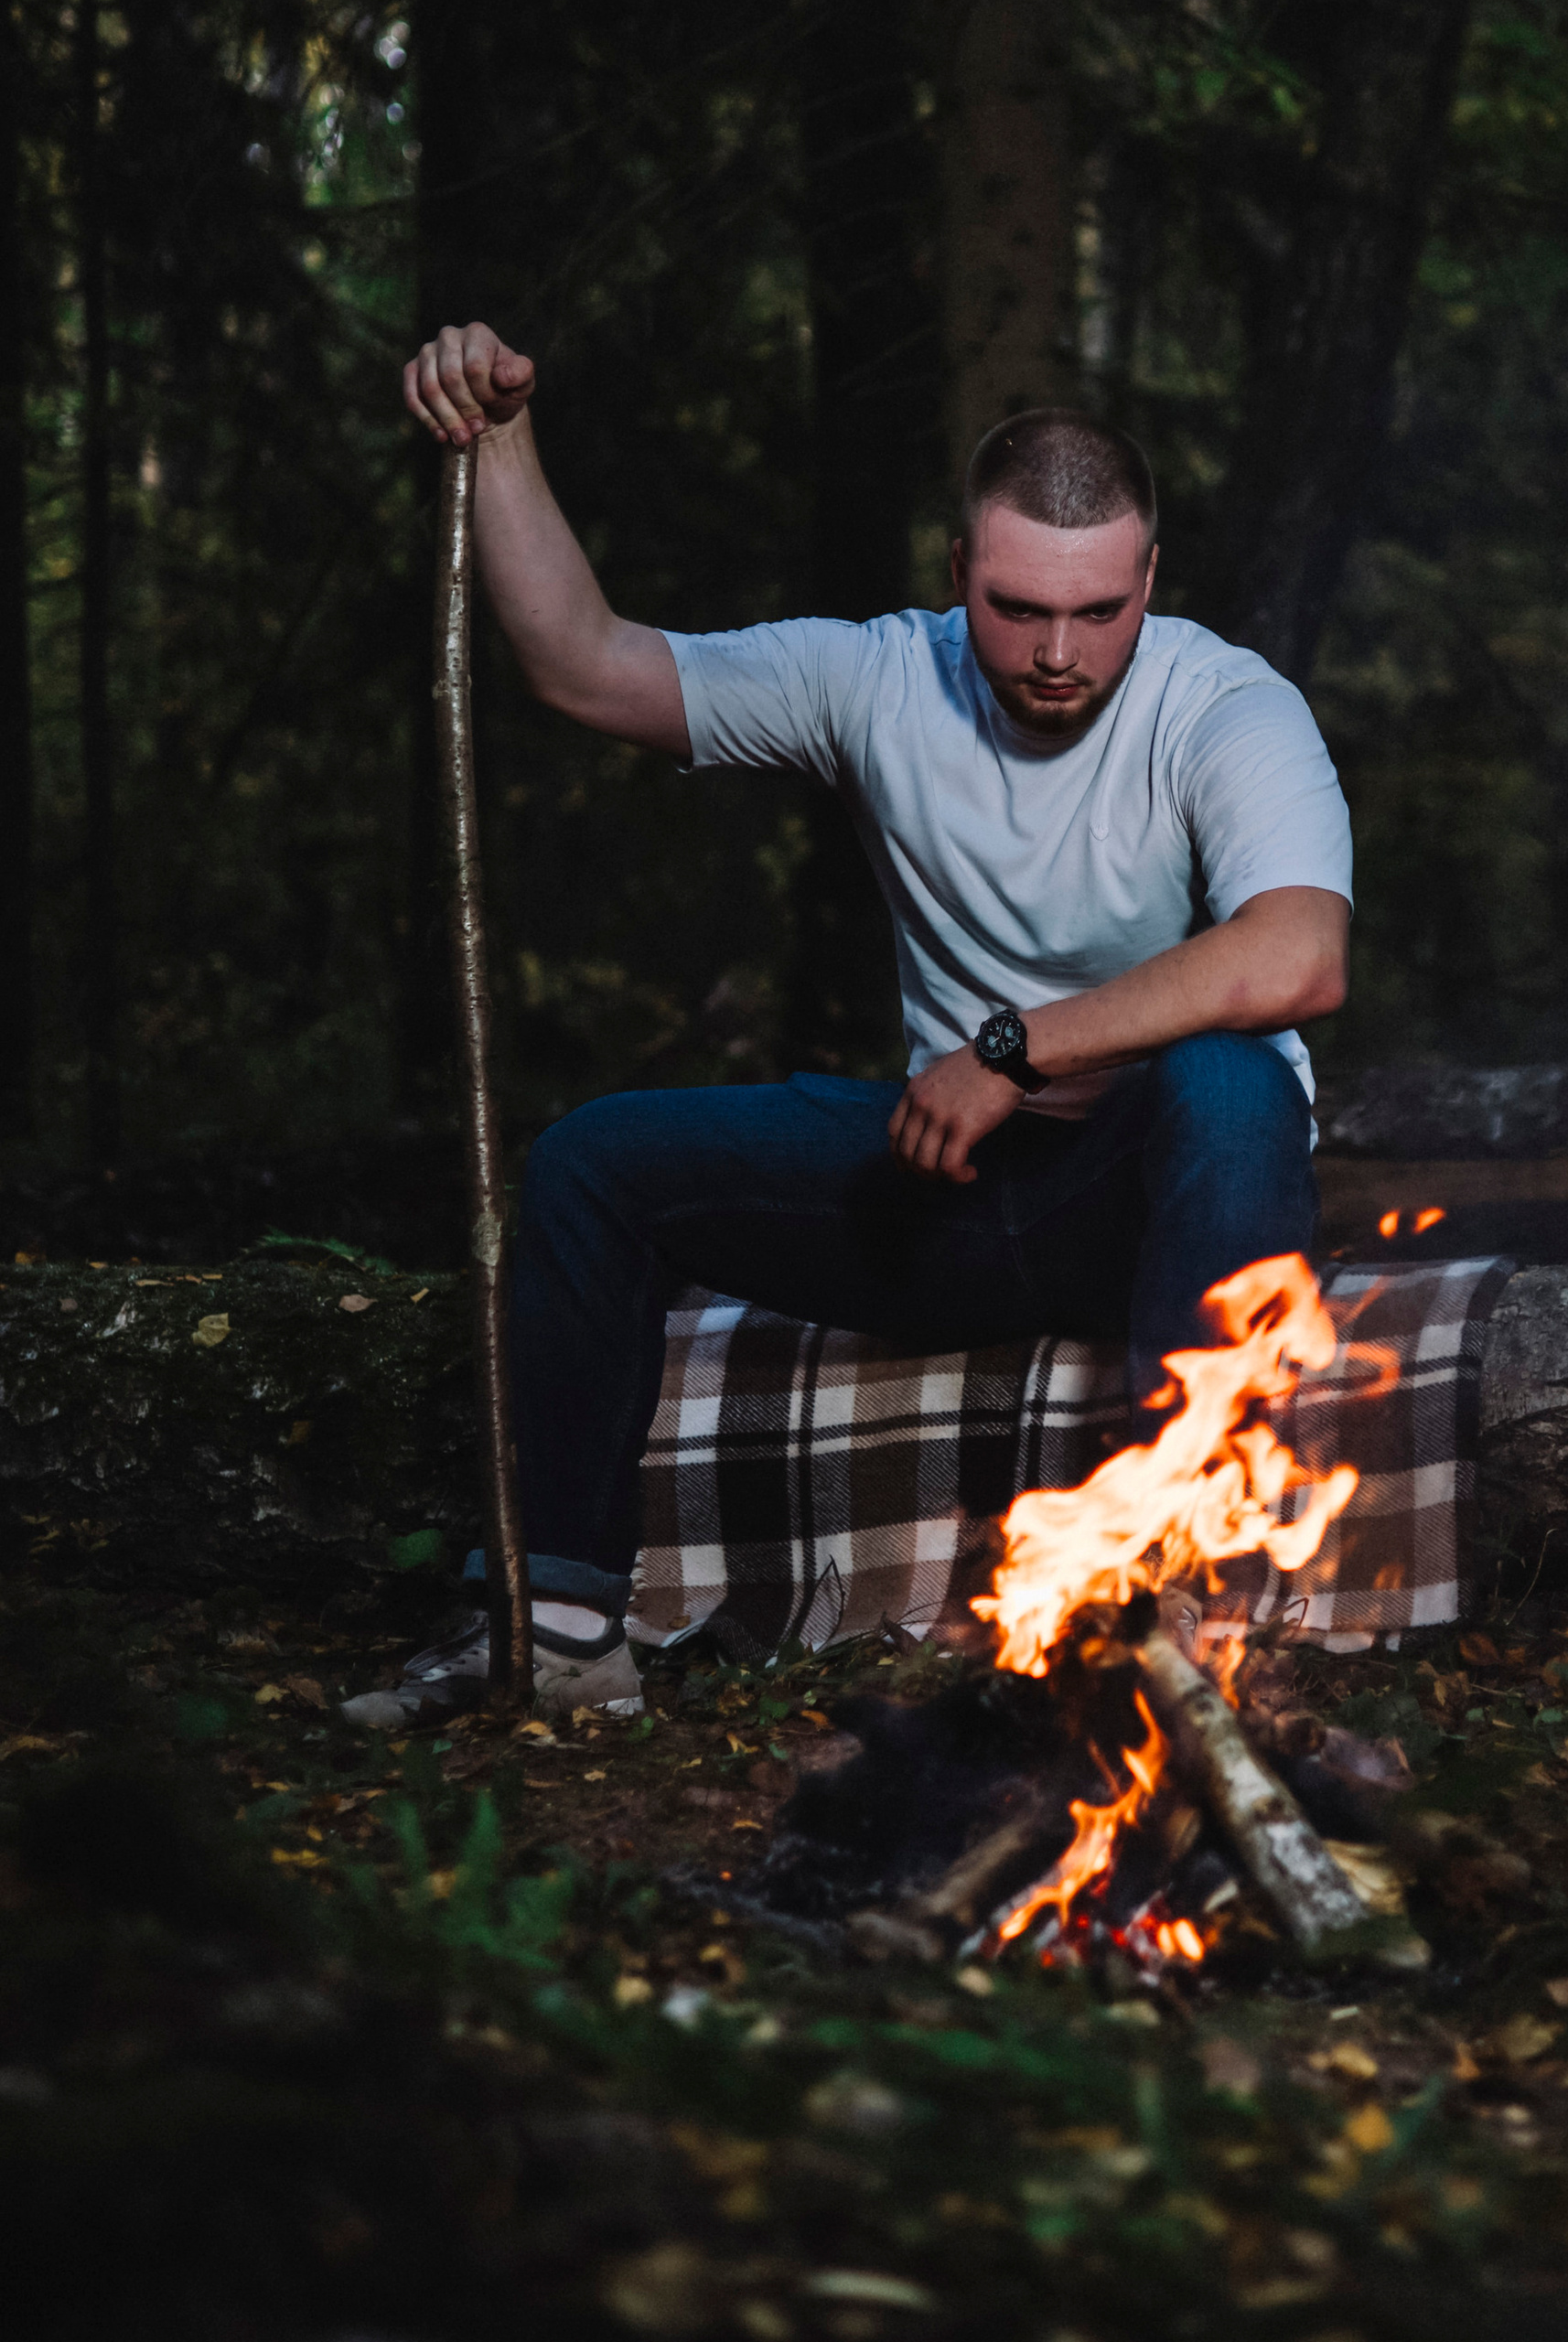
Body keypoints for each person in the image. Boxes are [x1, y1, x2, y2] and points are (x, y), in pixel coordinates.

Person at [348, 322, 1353, 1727]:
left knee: (1238, 1080)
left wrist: (1016, 1050)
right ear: (957, 576)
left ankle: (1188, 1598)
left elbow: (1299, 955)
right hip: (944, 1197)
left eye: (1098, 612)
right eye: (1016, 610)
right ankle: (562, 1622)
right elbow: (587, 667)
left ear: (1148, 584)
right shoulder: (878, 677)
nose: (1059, 654)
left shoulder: (1227, 706)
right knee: (592, 1162)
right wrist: (500, 437)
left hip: (1149, 1205)